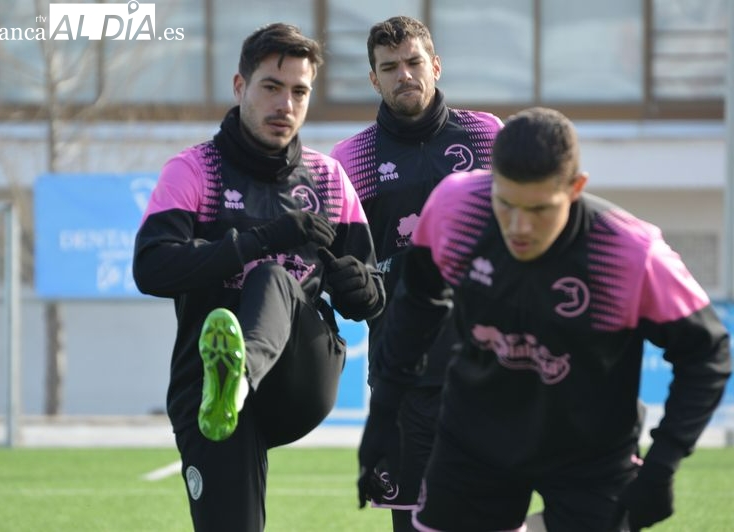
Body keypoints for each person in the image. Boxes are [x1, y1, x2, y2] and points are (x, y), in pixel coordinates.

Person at [359, 106, 732, 531]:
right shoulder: (456, 207)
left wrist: (663, 462)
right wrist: (385, 413)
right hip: (478, 433)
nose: (519, 227)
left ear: (575, 188)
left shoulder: (629, 252)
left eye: (538, 209)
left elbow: (708, 352)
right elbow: (418, 304)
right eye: (506, 203)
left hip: (589, 450)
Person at [132, 23, 385, 532]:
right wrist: (257, 239)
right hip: (208, 395)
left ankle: (238, 378)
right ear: (240, 86)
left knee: (273, 279)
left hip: (300, 377)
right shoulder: (194, 170)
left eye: (299, 91)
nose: (285, 104)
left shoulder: (328, 179)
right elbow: (151, 268)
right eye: (272, 86)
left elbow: (372, 295)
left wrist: (356, 286)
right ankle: (228, 388)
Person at [329, 15, 502, 530]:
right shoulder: (350, 160)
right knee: (411, 523)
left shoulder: (487, 135)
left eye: (413, 62)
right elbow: (347, 274)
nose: (404, 75)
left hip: (486, 366)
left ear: (435, 65)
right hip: (401, 377)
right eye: (390, 67)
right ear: (374, 79)